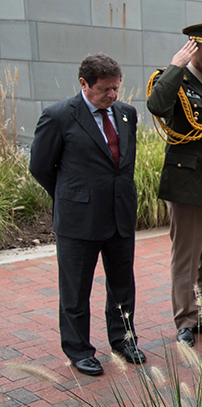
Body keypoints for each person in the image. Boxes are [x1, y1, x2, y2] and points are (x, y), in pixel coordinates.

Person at [29, 54, 145, 376]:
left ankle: (124, 339)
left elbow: (123, 163)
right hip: (78, 220)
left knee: (123, 285)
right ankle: (79, 350)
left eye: (116, 89)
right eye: (105, 89)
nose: (112, 96)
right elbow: (40, 166)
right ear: (84, 84)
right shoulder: (58, 116)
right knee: (76, 290)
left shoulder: (126, 114)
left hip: (119, 215)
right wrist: (72, 195)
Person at [146, 22, 202, 347]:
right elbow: (157, 106)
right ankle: (185, 319)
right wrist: (176, 66)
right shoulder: (173, 80)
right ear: (192, 49)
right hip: (187, 184)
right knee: (187, 256)